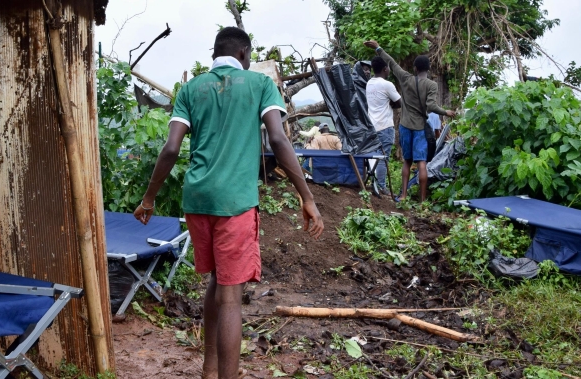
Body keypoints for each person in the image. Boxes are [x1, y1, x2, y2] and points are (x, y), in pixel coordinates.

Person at [135, 27, 324, 379]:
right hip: (234, 202)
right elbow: (278, 141)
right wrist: (307, 196)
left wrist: (149, 198)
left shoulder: (191, 89)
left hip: (198, 200)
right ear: (245, 53)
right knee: (231, 297)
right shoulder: (260, 85)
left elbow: (172, 149)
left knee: (217, 282)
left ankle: (209, 369)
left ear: (215, 54)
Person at [364, 40, 456, 202]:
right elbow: (431, 105)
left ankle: (404, 195)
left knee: (407, 161)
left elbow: (391, 63)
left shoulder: (406, 79)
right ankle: (421, 201)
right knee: (421, 163)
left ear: (414, 68)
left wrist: (378, 48)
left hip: (405, 126)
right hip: (420, 127)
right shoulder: (431, 85)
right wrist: (445, 112)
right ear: (428, 69)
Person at [365, 56, 402, 194]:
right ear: (385, 69)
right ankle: (381, 186)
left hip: (372, 126)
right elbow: (399, 103)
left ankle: (374, 183)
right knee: (383, 157)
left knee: (374, 155)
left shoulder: (369, 84)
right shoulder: (387, 84)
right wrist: (391, 103)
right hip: (385, 126)